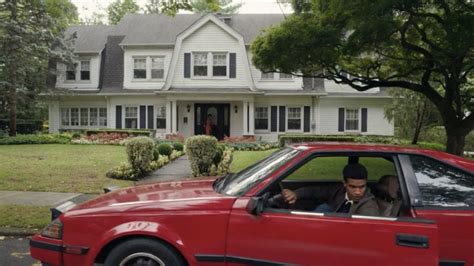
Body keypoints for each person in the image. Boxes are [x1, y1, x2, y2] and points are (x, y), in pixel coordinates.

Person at [282, 163, 379, 216]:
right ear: (344, 183)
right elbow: (315, 191)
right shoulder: (339, 191)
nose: (358, 192)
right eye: (352, 187)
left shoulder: (368, 207)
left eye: (362, 187)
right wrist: (295, 194)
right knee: (324, 207)